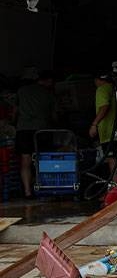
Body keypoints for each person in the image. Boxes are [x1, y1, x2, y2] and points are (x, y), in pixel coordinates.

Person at [15, 69, 55, 198]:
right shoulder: (47, 93)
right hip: (42, 129)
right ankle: (45, 188)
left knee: (26, 161)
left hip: (24, 129)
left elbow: (15, 111)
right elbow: (54, 114)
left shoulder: (21, 92)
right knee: (43, 160)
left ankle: (27, 192)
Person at [90, 73, 117, 174]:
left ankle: (116, 186)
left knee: (111, 158)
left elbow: (104, 107)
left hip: (108, 132)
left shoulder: (101, 90)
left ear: (97, 80)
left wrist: (94, 124)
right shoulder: (115, 89)